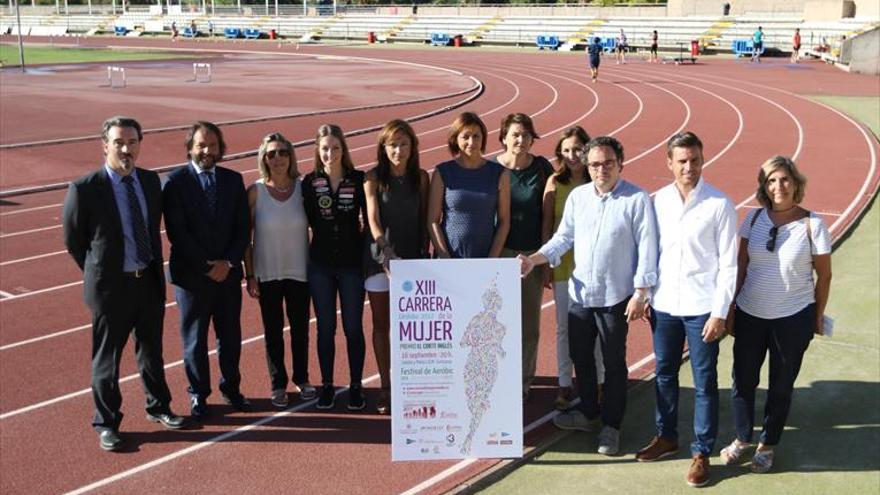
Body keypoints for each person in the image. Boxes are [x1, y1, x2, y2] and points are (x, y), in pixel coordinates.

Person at [520, 136, 658, 456]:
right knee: (582, 359)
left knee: (613, 363)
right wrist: (533, 259)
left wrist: (641, 293)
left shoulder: (636, 199)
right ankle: (590, 413)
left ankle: (611, 425)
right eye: (595, 164)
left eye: (608, 163)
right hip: (581, 294)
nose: (601, 169)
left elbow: (648, 248)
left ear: (620, 163)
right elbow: (562, 238)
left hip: (616, 296)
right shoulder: (578, 198)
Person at [63, 116, 186, 452]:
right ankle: (107, 423)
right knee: (107, 359)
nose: (126, 149)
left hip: (146, 280)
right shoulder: (85, 189)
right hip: (110, 288)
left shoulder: (149, 182)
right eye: (118, 142)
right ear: (105, 145)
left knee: (151, 351)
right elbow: (74, 241)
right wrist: (98, 273)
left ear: (139, 145)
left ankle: (158, 406)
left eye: (132, 142)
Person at [634, 132, 738, 488]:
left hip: (702, 309)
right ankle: (666, 437)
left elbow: (729, 266)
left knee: (705, 382)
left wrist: (719, 312)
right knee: (664, 374)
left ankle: (701, 452)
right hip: (664, 306)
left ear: (702, 159)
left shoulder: (719, 204)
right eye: (682, 161)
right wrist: (645, 293)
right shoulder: (657, 201)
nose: (689, 167)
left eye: (694, 159)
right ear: (669, 163)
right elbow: (648, 254)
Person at [719, 156, 832, 474]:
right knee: (742, 381)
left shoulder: (813, 225)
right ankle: (742, 438)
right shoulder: (753, 221)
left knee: (781, 385)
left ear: (796, 183)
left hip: (792, 318)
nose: (778, 186)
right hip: (751, 315)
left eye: (784, 179)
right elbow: (739, 268)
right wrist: (730, 309)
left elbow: (824, 276)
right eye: (771, 180)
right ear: (763, 186)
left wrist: (818, 315)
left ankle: (768, 445)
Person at [164, 121, 251, 419]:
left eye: (213, 145)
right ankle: (198, 394)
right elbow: (178, 232)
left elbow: (243, 228)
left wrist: (228, 262)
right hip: (191, 277)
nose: (207, 151)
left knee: (230, 337)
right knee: (195, 338)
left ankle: (231, 389)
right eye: (201, 145)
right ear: (190, 148)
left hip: (227, 275)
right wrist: (206, 266)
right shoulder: (175, 182)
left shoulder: (233, 180)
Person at [243, 133, 315, 409]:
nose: (277, 158)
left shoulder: (303, 187)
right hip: (267, 272)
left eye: (283, 152)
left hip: (300, 271)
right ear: (263, 158)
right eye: (271, 153)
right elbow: (246, 238)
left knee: (300, 330)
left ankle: (302, 378)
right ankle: (277, 383)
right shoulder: (255, 191)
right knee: (272, 331)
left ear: (291, 156)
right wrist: (250, 274)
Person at [363, 119, 429, 414]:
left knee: (410, 328)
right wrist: (387, 252)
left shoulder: (422, 178)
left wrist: (425, 256)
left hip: (413, 261)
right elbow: (373, 220)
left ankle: (410, 383)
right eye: (392, 144)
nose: (398, 150)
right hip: (381, 262)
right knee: (381, 324)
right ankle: (386, 387)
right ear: (383, 147)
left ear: (413, 146)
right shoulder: (373, 178)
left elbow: (426, 219)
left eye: (404, 144)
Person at [302, 124, 368, 411]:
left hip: (352, 266)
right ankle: (327, 385)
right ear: (318, 150)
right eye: (325, 148)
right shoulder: (309, 182)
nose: (331, 153)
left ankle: (355, 385)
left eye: (336, 148)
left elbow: (370, 220)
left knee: (353, 328)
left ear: (344, 150)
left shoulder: (358, 179)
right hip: (321, 266)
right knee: (325, 329)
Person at [541, 126, 604, 411]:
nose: (572, 155)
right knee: (564, 328)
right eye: (565, 150)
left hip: (594, 266)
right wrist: (545, 264)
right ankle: (565, 382)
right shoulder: (555, 182)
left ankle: (599, 381)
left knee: (597, 329)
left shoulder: (599, 181)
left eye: (577, 149)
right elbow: (547, 226)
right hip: (564, 265)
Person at [493, 113, 554, 401]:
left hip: (530, 255)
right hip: (498, 254)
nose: (520, 140)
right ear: (503, 136)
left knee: (529, 323)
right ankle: (498, 373)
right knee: (497, 321)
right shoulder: (490, 168)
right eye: (515, 134)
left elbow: (547, 216)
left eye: (526, 134)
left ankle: (523, 380)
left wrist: (545, 257)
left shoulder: (541, 168)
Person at [428, 111, 511, 260]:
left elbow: (504, 221)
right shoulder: (442, 172)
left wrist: (492, 259)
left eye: (476, 136)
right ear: (455, 139)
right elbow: (432, 220)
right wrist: (445, 257)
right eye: (465, 137)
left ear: (483, 138)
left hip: (485, 257)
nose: (471, 142)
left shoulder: (498, 173)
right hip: (450, 257)